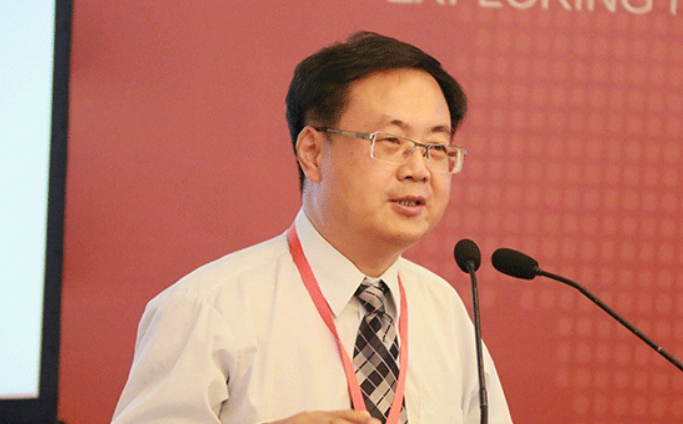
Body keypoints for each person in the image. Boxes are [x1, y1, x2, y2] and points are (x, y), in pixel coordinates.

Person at [112, 31, 513, 424]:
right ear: (313, 152)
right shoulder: (209, 309)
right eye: (391, 141)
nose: (419, 170)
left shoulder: (445, 311)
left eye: (437, 147)